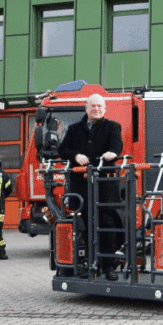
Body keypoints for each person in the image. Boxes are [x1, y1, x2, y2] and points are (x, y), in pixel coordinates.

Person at [58, 93, 123, 281]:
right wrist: (75, 156)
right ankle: (89, 263)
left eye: (100, 107)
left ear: (105, 109)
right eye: (93, 106)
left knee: (107, 223)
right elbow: (62, 150)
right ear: (86, 108)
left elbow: (117, 145)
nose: (97, 110)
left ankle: (109, 265)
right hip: (81, 186)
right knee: (86, 225)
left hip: (104, 186)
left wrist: (112, 153)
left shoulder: (112, 127)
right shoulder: (73, 129)